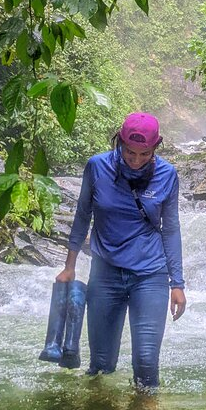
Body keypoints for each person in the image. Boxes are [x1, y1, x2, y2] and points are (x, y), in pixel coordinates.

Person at [55, 112, 187, 389]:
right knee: (101, 364)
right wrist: (69, 266)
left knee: (147, 363)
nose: (136, 160)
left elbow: (171, 229)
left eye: (144, 154)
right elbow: (82, 216)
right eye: (129, 152)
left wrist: (177, 283)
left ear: (156, 148)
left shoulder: (167, 175)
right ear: (118, 141)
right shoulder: (97, 167)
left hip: (150, 275)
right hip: (105, 273)